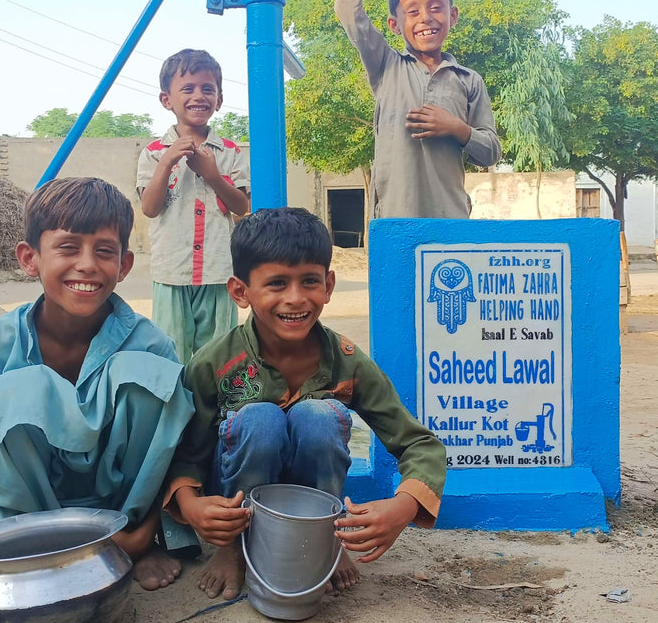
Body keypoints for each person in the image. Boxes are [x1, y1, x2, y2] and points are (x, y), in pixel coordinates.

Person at [163, 207, 447, 600]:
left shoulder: (347, 361)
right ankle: (236, 550)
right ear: (240, 292)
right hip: (236, 499)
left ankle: (323, 540)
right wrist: (192, 506)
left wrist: (402, 508)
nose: (296, 299)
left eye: (309, 281)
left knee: (318, 416)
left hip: (312, 503)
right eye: (276, 283)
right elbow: (184, 451)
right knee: (260, 419)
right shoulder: (214, 363)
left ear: (328, 285)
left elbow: (418, 444)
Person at [0, 177, 196, 589]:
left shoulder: (150, 343)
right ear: (30, 259)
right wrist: (8, 535)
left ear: (124, 265)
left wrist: (143, 531)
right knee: (20, 391)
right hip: (29, 521)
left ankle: (132, 543)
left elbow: (176, 450)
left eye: (104, 251)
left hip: (127, 513)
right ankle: (45, 551)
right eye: (68, 247)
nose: (86, 264)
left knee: (148, 377)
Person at [334, 0, 502, 219]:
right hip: (394, 222)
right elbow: (346, 7)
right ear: (394, 24)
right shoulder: (386, 67)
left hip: (451, 225)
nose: (425, 18)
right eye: (412, 11)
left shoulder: (469, 81)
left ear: (452, 16)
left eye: (436, 7)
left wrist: (457, 128)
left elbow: (491, 152)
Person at [137, 48, 250, 363]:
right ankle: (178, 409)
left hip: (217, 271)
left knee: (217, 353)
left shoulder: (229, 152)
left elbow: (241, 206)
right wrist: (168, 160)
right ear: (166, 100)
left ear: (219, 99)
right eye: (187, 88)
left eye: (207, 89)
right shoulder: (154, 152)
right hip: (172, 272)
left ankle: (212, 410)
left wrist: (213, 175)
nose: (198, 96)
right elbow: (149, 207)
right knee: (172, 351)